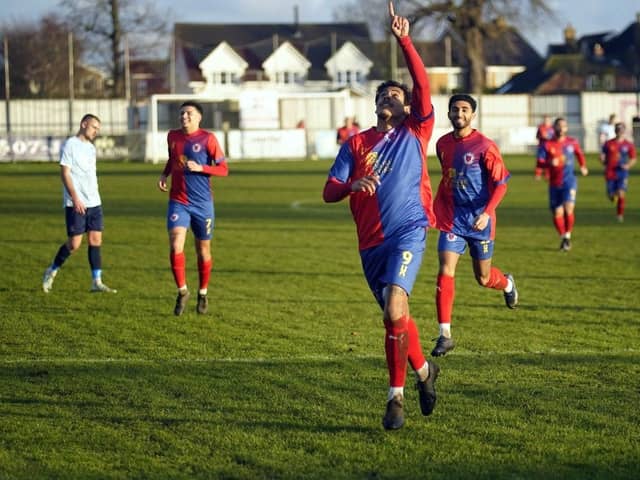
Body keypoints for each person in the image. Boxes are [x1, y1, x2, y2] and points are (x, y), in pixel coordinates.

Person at [322, 1, 439, 431]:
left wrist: (403, 40)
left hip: (407, 231)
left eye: (397, 95)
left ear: (407, 106)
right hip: (369, 242)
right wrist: (350, 186)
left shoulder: (415, 130)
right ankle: (425, 373)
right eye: (384, 94)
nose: (390, 97)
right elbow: (328, 191)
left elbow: (423, 86)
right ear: (374, 104)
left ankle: (396, 399)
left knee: (394, 308)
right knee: (398, 318)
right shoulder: (354, 145)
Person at [430, 94, 518, 358]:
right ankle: (445, 334)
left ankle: (507, 285)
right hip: (451, 218)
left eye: (465, 109)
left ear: (472, 115)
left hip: (479, 219)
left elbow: (501, 183)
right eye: (455, 109)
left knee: (483, 278)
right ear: (449, 113)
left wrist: (488, 213)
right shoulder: (442, 143)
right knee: (445, 269)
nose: (459, 113)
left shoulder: (484, 146)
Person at [157, 101, 229, 316]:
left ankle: (203, 292)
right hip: (178, 200)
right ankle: (182, 291)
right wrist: (164, 174)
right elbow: (173, 159)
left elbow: (224, 169)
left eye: (188, 113)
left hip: (203, 204)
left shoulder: (209, 139)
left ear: (199, 117)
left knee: (203, 250)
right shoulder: (172, 136)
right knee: (175, 242)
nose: (184, 117)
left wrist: (202, 168)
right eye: (181, 114)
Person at [42, 114, 116, 294]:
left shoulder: (91, 148)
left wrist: (94, 197)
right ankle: (52, 270)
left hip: (94, 201)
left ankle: (96, 281)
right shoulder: (70, 145)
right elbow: (65, 173)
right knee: (74, 244)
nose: (96, 132)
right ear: (84, 124)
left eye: (98, 129)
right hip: (76, 202)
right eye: (93, 127)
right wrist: (75, 197)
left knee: (96, 239)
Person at [537, 117, 588, 251]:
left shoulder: (572, 142)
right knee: (557, 213)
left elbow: (579, 154)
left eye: (564, 126)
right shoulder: (547, 144)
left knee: (569, 207)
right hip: (554, 183)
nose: (561, 128)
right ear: (554, 128)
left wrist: (583, 166)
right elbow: (539, 162)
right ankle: (564, 237)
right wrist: (549, 163)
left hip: (569, 180)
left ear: (566, 128)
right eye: (558, 126)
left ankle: (567, 235)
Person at [600, 122, 637, 222]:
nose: (619, 131)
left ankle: (620, 215)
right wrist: (602, 159)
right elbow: (602, 155)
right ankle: (613, 197)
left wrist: (628, 165)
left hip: (622, 172)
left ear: (624, 131)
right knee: (611, 195)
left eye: (621, 129)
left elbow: (633, 158)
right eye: (617, 129)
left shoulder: (628, 144)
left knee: (621, 193)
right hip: (610, 171)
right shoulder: (608, 144)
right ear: (615, 131)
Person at [534, 115, 553, 180]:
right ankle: (537, 175)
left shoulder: (552, 128)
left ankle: (547, 175)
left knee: (549, 161)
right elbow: (541, 136)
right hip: (542, 147)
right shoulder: (541, 127)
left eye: (548, 120)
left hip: (550, 148)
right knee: (540, 161)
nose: (546, 121)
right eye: (545, 120)